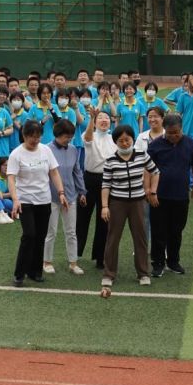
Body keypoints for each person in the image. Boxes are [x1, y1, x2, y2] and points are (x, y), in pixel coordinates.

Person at [7, 121, 68, 287]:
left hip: (44, 200)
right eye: (32, 137)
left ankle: (35, 271)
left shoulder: (46, 150)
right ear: (24, 135)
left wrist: (61, 192)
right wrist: (15, 200)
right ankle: (19, 274)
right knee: (29, 235)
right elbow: (11, 178)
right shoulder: (16, 154)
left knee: (40, 236)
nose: (35, 140)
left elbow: (54, 172)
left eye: (38, 137)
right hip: (25, 200)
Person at [100, 126, 157, 292]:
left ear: (133, 139)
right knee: (113, 238)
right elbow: (106, 184)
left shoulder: (142, 154)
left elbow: (155, 171)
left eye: (128, 140)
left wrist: (152, 191)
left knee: (140, 237)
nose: (125, 143)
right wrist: (104, 206)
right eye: (121, 141)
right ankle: (109, 274)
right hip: (117, 203)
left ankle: (143, 273)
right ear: (115, 142)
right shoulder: (110, 160)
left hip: (138, 202)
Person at [146, 112, 193, 277]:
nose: (173, 136)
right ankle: (158, 263)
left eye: (176, 132)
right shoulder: (155, 145)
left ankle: (173, 261)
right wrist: (149, 190)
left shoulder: (190, 144)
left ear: (181, 129)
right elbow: (147, 169)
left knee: (176, 230)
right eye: (169, 133)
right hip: (159, 196)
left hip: (181, 196)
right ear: (164, 130)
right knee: (158, 231)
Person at [43, 119, 86, 275]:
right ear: (57, 134)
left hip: (71, 196)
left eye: (71, 136)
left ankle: (73, 263)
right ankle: (47, 262)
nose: (69, 139)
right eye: (66, 136)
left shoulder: (74, 149)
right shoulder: (46, 149)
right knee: (51, 232)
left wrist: (82, 192)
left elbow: (77, 171)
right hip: (51, 197)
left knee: (71, 232)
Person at [76, 107, 115, 269]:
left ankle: (100, 257)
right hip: (89, 179)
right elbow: (88, 138)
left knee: (104, 220)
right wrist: (91, 119)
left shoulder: (114, 138)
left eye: (106, 118)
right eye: (100, 118)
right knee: (82, 218)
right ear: (95, 122)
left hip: (108, 181)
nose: (104, 120)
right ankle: (75, 254)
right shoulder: (89, 135)